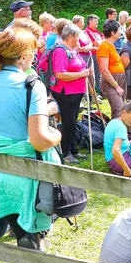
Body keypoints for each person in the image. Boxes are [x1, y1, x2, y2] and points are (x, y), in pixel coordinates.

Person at [0, 28, 62, 251]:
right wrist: (57, 135)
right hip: (27, 178)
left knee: (21, 231)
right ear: (23, 56)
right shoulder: (31, 85)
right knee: (31, 240)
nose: (34, 55)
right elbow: (39, 140)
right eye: (32, 51)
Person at [50, 24, 91, 164]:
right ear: (70, 36)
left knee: (73, 122)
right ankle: (66, 153)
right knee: (68, 122)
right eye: (77, 36)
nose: (79, 39)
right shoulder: (61, 51)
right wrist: (82, 74)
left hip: (75, 92)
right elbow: (60, 74)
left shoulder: (73, 50)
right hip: (66, 93)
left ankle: (73, 150)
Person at [98, 19, 127, 120]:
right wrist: (116, 86)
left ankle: (121, 133)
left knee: (122, 110)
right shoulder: (104, 46)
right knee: (119, 109)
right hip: (111, 82)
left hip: (120, 79)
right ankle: (114, 134)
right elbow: (104, 69)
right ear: (112, 32)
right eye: (119, 30)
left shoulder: (112, 46)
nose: (121, 32)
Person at [85, 14, 104, 96]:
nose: (97, 23)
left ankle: (100, 90)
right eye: (95, 21)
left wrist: (100, 42)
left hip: (98, 54)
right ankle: (94, 92)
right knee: (94, 74)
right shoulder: (88, 31)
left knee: (99, 73)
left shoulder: (96, 31)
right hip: (92, 55)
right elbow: (96, 43)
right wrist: (100, 42)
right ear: (90, 21)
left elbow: (104, 40)